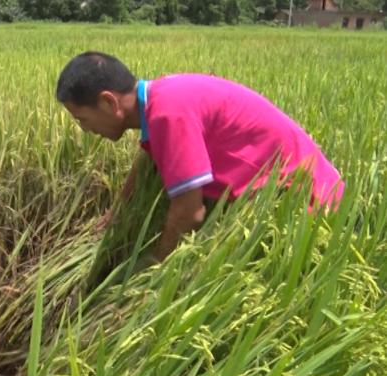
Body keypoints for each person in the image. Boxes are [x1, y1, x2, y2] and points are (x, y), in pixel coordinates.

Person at [56, 51, 344, 266]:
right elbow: (147, 160)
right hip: (292, 198)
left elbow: (189, 212)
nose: (86, 130)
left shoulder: (169, 113)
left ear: (109, 102)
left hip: (308, 207)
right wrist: (117, 213)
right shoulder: (161, 96)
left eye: (83, 119)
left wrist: (156, 265)